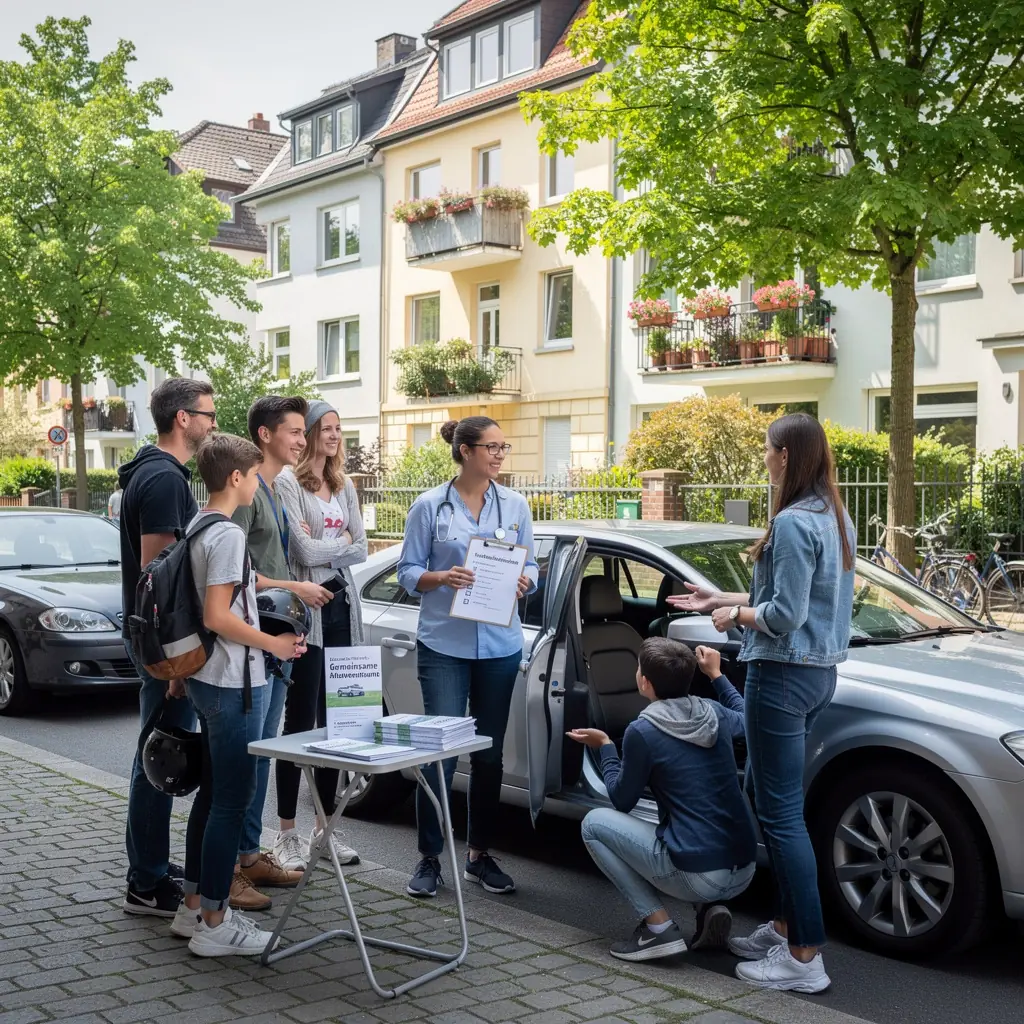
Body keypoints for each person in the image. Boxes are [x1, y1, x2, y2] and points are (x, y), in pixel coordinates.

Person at [670, 412, 854, 993]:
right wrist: (717, 597)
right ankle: (784, 926)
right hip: (815, 674)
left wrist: (734, 616)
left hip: (781, 676)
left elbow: (783, 614)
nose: (765, 458)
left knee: (780, 815)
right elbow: (790, 597)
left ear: (786, 455)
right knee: (771, 800)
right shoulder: (831, 513)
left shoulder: (795, 522)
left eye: (768, 449)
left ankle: (804, 958)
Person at [169, 433, 307, 956]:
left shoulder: (198, 523)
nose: (256, 484)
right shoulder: (226, 533)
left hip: (209, 678)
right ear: (235, 477)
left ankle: (192, 908)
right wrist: (274, 643)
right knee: (231, 800)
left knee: (212, 798)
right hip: (231, 682)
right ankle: (215, 922)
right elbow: (216, 616)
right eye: (252, 476)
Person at [397, 416, 538, 899]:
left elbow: (531, 562)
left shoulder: (515, 505)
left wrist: (527, 580)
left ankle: (479, 856)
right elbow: (407, 571)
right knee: (438, 751)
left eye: (503, 447)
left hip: (500, 645)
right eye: (491, 447)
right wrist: (442, 578)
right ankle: (429, 857)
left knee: (489, 755)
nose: (499, 455)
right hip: (445, 645)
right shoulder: (429, 506)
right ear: (465, 451)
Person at [569, 638, 756, 962]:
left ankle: (657, 928)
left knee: (592, 825)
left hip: (700, 876)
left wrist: (606, 748)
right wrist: (716, 675)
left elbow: (621, 800)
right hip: (744, 868)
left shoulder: (642, 731)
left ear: (644, 682)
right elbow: (747, 717)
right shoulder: (712, 712)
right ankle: (709, 909)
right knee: (686, 817)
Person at [228, 395, 333, 911]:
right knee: (243, 760)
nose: (302, 439)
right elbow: (235, 575)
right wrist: (297, 585)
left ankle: (250, 855)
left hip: (276, 640)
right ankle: (228, 869)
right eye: (294, 430)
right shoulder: (246, 494)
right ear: (265, 435)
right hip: (253, 643)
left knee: (263, 752)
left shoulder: (270, 489)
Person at [119, 377, 217, 917]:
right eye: (208, 415)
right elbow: (160, 580)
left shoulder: (156, 472)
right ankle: (146, 881)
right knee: (160, 755)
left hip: (156, 639)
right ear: (183, 418)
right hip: (163, 643)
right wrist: (178, 660)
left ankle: (151, 863)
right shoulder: (161, 479)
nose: (212, 424)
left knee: (158, 750)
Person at [272, 401, 367, 871]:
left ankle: (324, 832)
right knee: (299, 723)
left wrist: (335, 546)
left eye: (338, 428)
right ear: (308, 433)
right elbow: (302, 550)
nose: (333, 435)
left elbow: (362, 547)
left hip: (342, 609)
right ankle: (286, 833)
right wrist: (340, 543)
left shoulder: (344, 484)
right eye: (325, 428)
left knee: (336, 726)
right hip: (308, 613)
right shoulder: (288, 482)